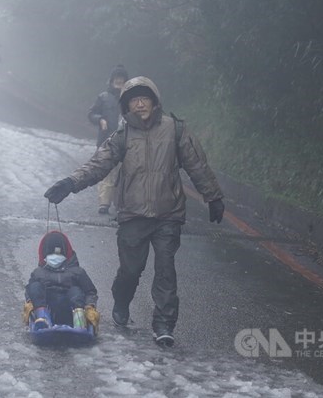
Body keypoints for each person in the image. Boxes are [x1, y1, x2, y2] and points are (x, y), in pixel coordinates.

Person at [43, 76, 225, 347]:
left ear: (154, 101)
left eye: (144, 98)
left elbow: (197, 164)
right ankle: (122, 300)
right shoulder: (123, 136)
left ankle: (164, 324)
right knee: (131, 270)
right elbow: (99, 164)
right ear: (126, 106)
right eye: (134, 100)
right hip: (132, 215)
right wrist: (70, 183)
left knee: (165, 271)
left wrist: (213, 196)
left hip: (168, 214)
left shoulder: (175, 129)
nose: (140, 104)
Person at [22, 231, 100, 333]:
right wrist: (30, 303)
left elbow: (90, 292)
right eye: (52, 253)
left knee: (76, 291)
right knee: (35, 286)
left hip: (70, 310)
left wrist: (90, 306)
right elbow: (30, 291)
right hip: (48, 308)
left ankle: (80, 322)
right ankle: (42, 319)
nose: (55, 256)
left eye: (58, 253)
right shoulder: (39, 273)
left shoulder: (77, 272)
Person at [87, 64, 129, 215]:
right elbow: (91, 114)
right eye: (116, 78)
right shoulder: (103, 97)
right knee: (107, 171)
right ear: (111, 80)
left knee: (123, 174)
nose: (119, 81)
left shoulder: (130, 99)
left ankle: (120, 204)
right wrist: (100, 120)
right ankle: (104, 203)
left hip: (126, 142)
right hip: (106, 141)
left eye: (121, 78)